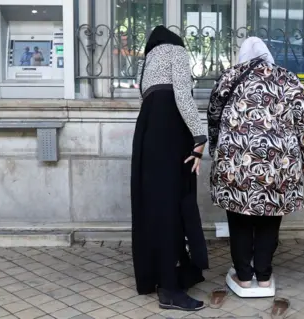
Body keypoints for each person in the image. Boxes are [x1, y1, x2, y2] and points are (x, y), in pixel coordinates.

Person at [208, 37, 304, 289]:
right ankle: (264, 276)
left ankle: (244, 277)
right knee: (270, 216)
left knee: (239, 217)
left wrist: (216, 149)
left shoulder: (228, 77)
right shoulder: (288, 78)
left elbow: (214, 116)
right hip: (279, 163)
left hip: (235, 161)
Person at [130, 25, 208, 311]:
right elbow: (183, 96)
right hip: (170, 132)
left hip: (148, 135)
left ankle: (165, 274)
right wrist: (200, 138)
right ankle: (171, 290)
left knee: (155, 206)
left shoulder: (147, 62)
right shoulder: (176, 51)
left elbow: (147, 98)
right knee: (173, 207)